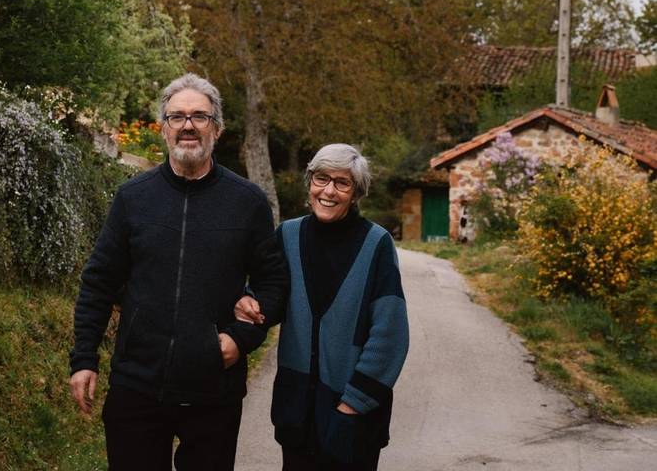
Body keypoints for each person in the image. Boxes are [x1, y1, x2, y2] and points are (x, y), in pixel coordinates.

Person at [69, 73, 288, 471]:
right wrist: (84, 358)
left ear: (217, 129)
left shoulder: (247, 202)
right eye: (177, 117)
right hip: (137, 386)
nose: (188, 125)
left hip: (213, 391)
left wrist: (240, 338)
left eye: (200, 117)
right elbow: (98, 281)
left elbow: (273, 284)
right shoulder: (134, 197)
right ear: (164, 130)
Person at [236, 144, 409, 471]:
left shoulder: (377, 244)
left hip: (352, 414)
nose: (328, 191)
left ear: (357, 192)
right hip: (296, 409)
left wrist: (352, 404)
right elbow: (269, 293)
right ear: (310, 182)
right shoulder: (288, 235)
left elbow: (391, 336)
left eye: (342, 183)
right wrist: (251, 302)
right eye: (321, 179)